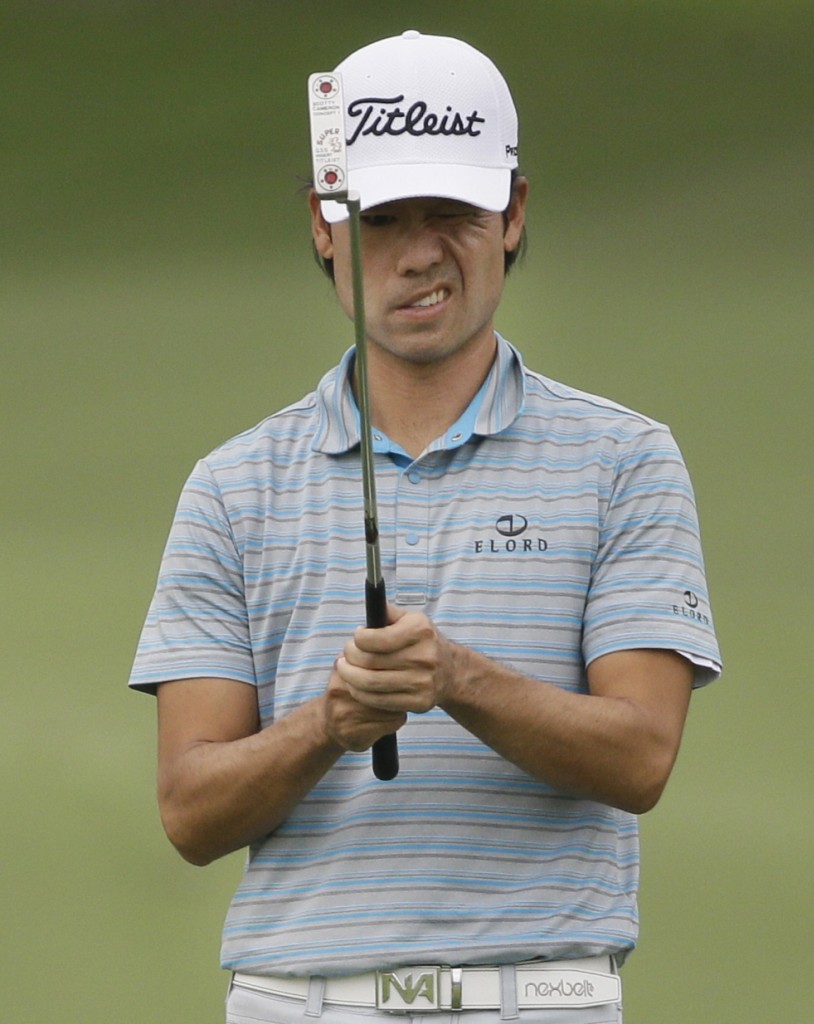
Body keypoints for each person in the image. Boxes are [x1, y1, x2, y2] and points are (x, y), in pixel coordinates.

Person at [129, 29, 721, 1024]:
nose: (417, 253)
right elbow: (190, 809)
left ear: (513, 213)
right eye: (382, 216)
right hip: (300, 1000)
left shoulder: (626, 459)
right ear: (325, 227)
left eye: (451, 211)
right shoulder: (232, 487)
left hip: (542, 996)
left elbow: (640, 756)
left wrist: (455, 678)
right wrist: (331, 722)